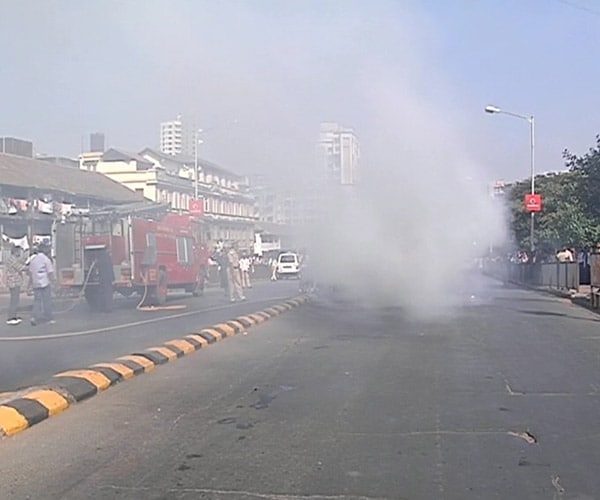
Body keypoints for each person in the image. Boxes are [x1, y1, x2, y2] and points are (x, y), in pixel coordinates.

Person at [27, 244, 55, 326]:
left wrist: (29, 285)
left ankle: (34, 317)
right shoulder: (46, 259)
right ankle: (48, 318)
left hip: (36, 283)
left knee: (37, 301)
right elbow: (50, 272)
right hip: (44, 283)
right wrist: (54, 282)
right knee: (47, 301)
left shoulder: (33, 259)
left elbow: (30, 273)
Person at [5, 245, 27, 325]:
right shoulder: (12, 259)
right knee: (14, 300)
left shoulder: (13, 259)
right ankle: (11, 317)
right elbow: (20, 267)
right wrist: (29, 266)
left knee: (15, 300)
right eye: (19, 251)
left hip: (14, 282)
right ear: (15, 252)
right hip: (13, 282)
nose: (20, 253)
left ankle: (14, 316)